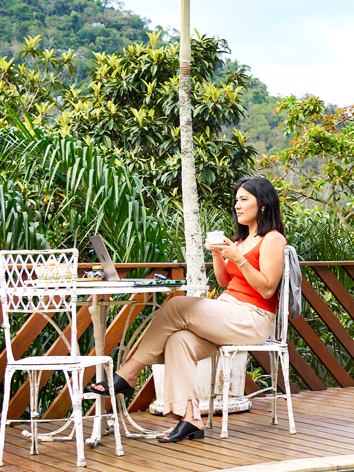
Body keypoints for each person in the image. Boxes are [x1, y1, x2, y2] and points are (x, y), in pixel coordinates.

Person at [90, 177, 286, 443]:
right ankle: (191, 418)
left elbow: (266, 289)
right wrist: (219, 255)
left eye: (244, 199)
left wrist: (239, 259)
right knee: (178, 340)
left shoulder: (273, 239)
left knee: (176, 305)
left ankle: (129, 373)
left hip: (253, 318)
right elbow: (226, 283)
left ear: (263, 204)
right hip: (228, 310)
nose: (237, 206)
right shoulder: (240, 241)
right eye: (236, 200)